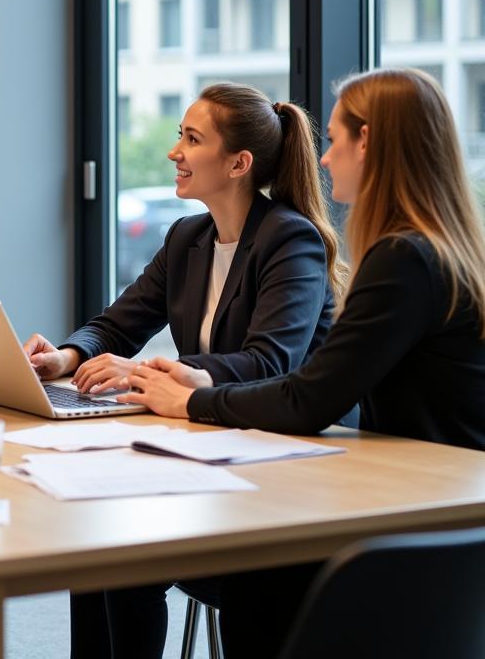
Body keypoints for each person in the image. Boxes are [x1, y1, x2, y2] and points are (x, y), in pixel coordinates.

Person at [126, 68, 485, 659]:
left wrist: (191, 399)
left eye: (338, 140)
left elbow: (308, 398)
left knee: (255, 569)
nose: (324, 160)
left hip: (429, 524)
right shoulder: (432, 249)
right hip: (437, 504)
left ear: (369, 142)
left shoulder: (402, 260)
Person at [21, 82, 346, 659]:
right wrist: (66, 358)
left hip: (279, 477)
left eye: (192, 139)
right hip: (209, 452)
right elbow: (116, 323)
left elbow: (269, 361)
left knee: (123, 544)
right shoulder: (188, 237)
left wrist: (148, 372)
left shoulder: (289, 239)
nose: (175, 151)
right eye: (179, 136)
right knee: (105, 542)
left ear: (239, 163)